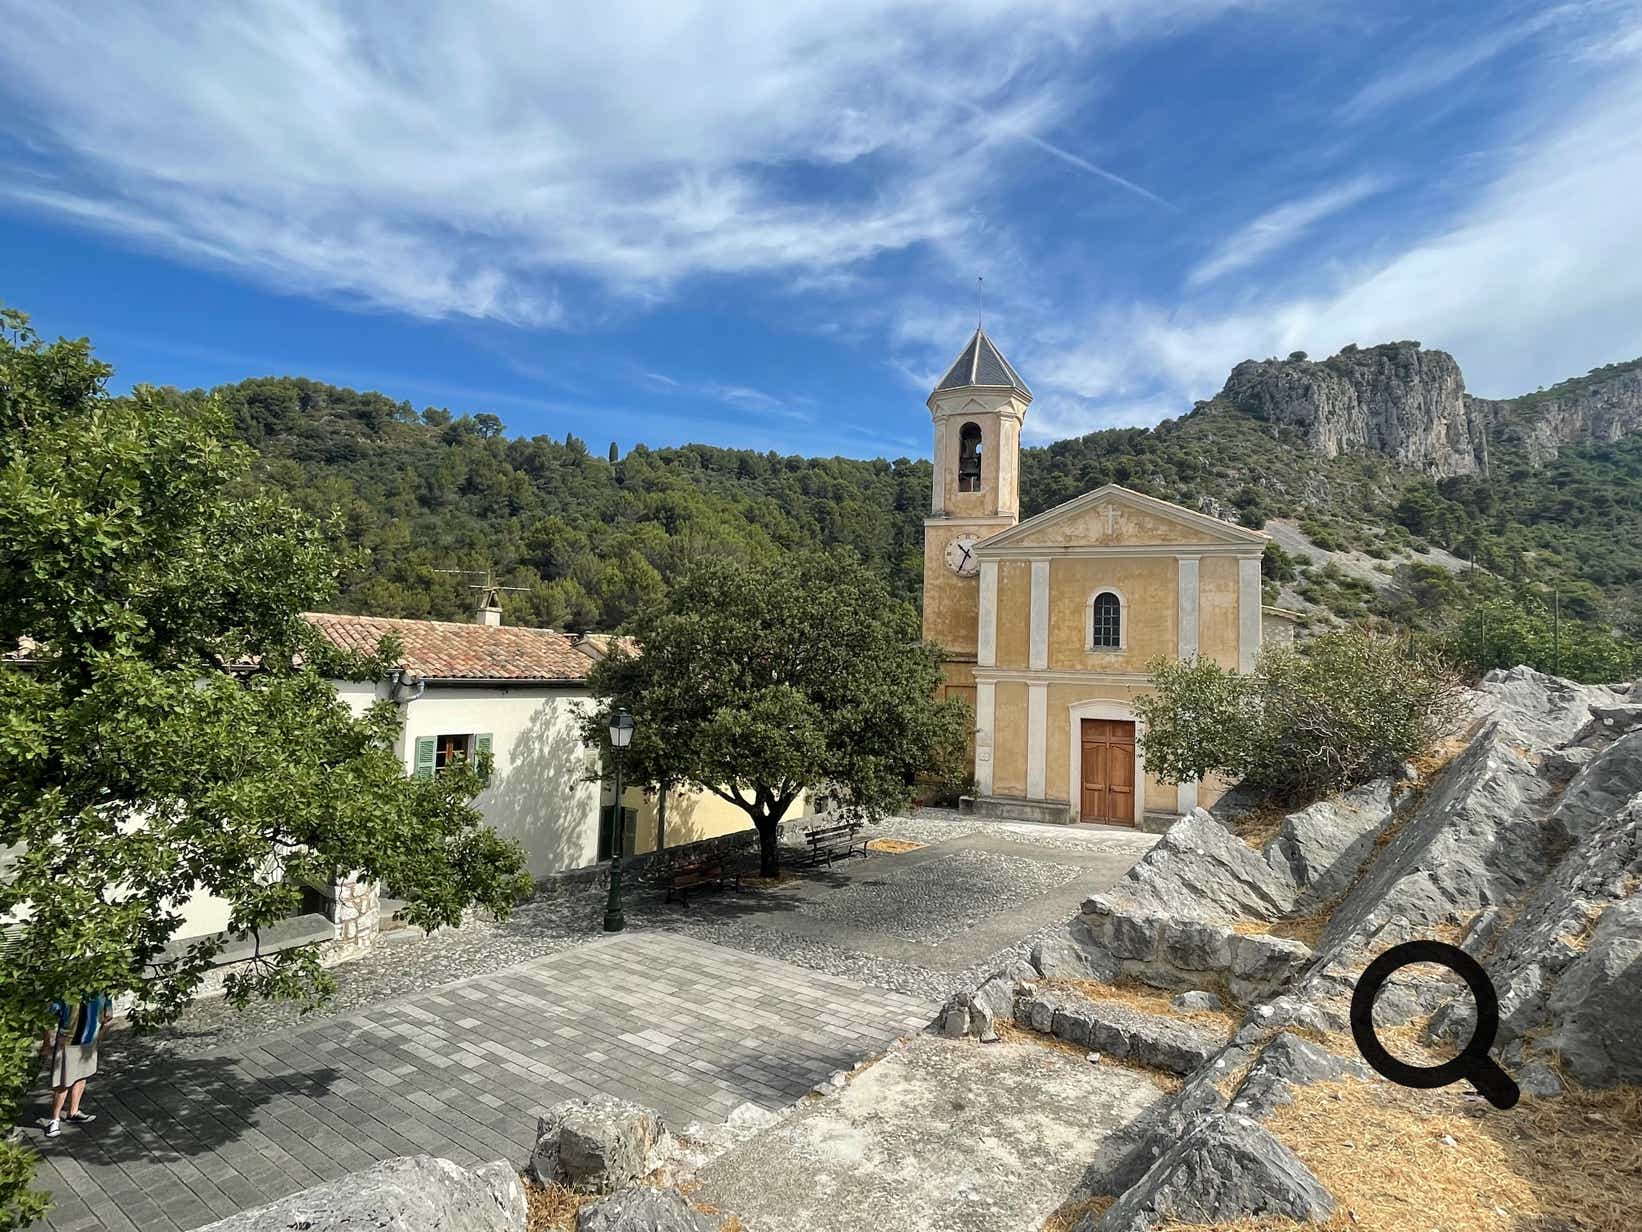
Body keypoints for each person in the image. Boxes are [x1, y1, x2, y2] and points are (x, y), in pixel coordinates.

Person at [41, 993, 111, 1138]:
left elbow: (107, 1015)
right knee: (63, 1082)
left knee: (82, 1075)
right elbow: (46, 1018)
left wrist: (100, 1033)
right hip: (68, 1042)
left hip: (89, 1040)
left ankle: (73, 1112)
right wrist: (46, 1043)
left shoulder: (101, 990)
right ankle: (54, 1120)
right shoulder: (68, 992)